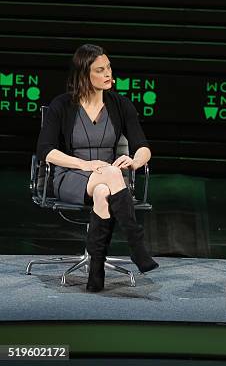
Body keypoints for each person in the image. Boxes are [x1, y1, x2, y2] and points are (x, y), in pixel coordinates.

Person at [36, 44, 158, 293]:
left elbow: (143, 147)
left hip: (106, 179)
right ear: (84, 74)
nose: (108, 74)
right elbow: (45, 150)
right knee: (111, 175)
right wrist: (85, 164)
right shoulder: (62, 105)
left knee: (103, 190)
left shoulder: (120, 104)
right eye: (100, 70)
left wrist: (134, 161)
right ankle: (137, 246)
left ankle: (96, 271)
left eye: (109, 67)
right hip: (70, 176)